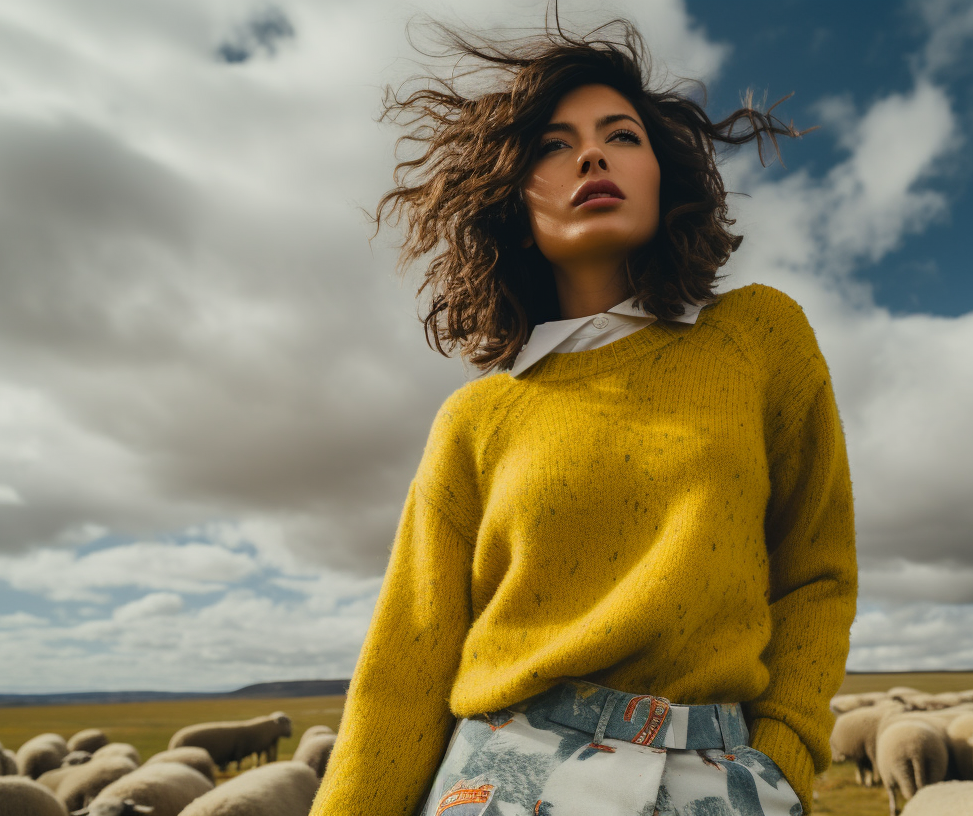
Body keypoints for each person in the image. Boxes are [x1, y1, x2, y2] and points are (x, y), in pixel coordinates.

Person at [310, 16, 857, 816]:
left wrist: (777, 762)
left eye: (621, 136)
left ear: (662, 174)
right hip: (503, 777)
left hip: (717, 773)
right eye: (554, 145)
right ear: (517, 200)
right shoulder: (480, 416)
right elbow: (404, 666)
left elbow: (817, 572)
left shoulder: (757, 337)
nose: (591, 156)